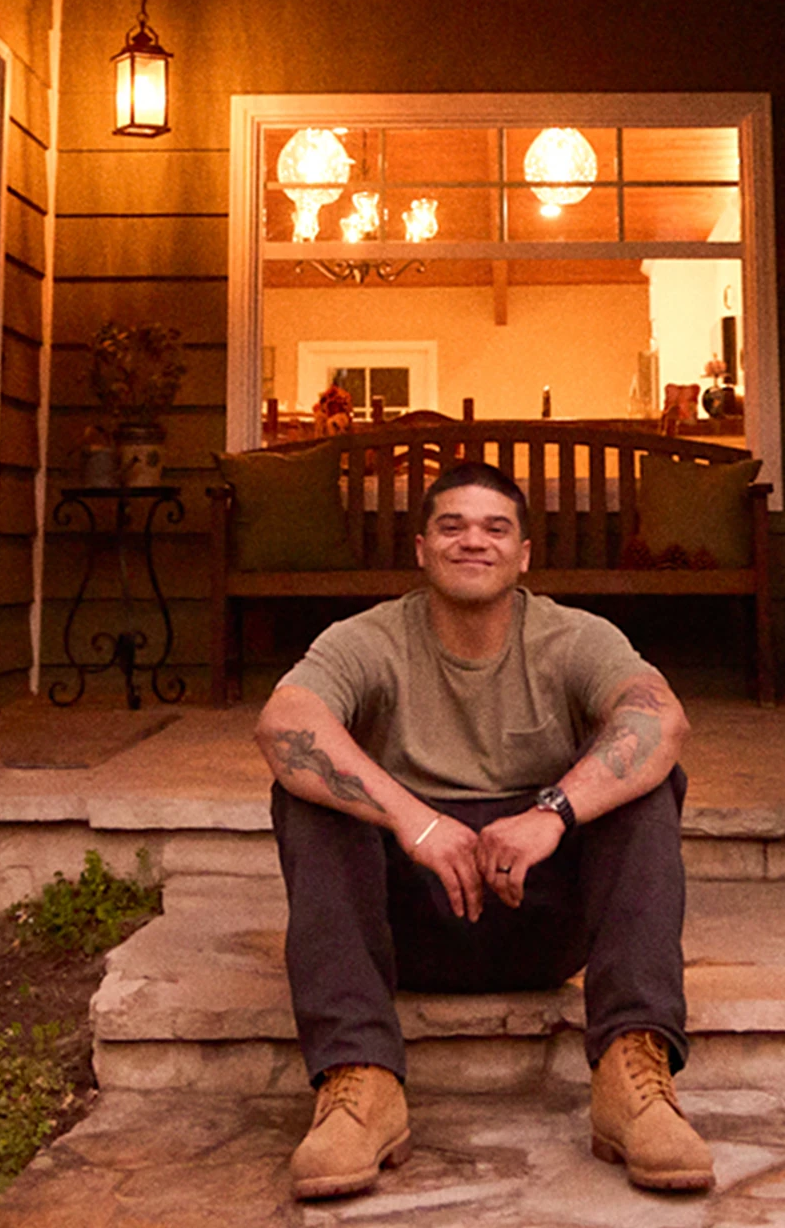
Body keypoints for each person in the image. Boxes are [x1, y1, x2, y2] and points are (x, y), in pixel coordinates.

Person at [255, 461, 713, 1201]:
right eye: (452, 526)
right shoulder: (367, 639)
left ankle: (635, 1070)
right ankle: (359, 1081)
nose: (474, 541)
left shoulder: (573, 636)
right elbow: (284, 723)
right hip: (409, 927)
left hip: (538, 914)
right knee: (312, 791)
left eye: (496, 527)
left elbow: (660, 719)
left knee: (645, 783)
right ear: (421, 547)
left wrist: (551, 814)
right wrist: (413, 819)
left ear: (524, 553)